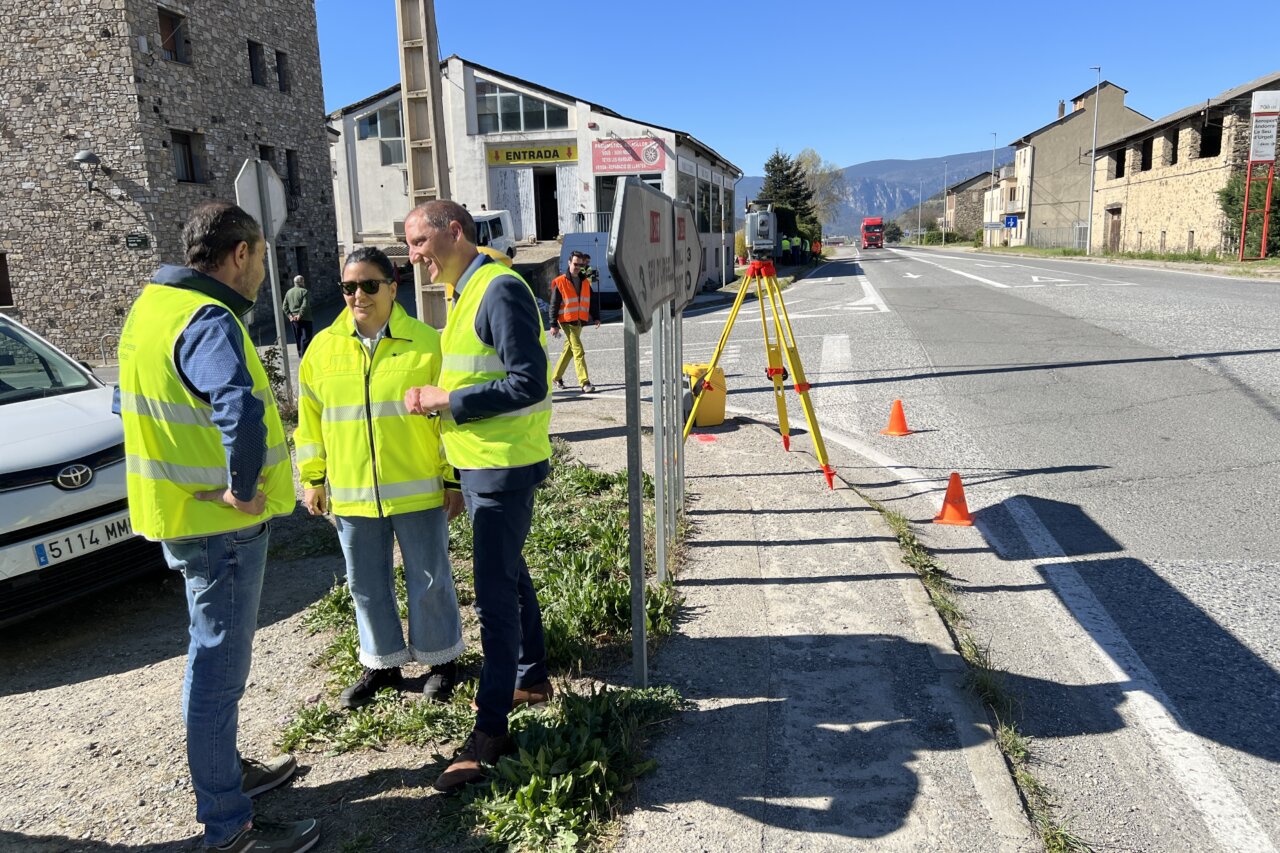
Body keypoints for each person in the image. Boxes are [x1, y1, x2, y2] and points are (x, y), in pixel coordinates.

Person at [115, 201, 319, 853]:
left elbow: (125, 405)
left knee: (213, 657)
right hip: (219, 526)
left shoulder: (150, 310)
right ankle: (229, 827)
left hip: (180, 516)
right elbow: (237, 406)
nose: (262, 271)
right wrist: (238, 485)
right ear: (240, 254)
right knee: (218, 666)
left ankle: (228, 775)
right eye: (262, 257)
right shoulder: (209, 318)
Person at [400, 199, 553, 794]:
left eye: (419, 242)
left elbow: (527, 381)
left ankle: (491, 729)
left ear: (454, 231)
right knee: (509, 573)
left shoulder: (498, 288)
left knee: (493, 595)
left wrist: (446, 402)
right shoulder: (467, 290)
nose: (414, 257)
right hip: (482, 463)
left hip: (504, 465)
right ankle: (532, 677)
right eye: (409, 246)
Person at [294, 247, 466, 710]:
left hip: (418, 487)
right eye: (349, 287)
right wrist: (313, 479)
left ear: (393, 287)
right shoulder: (322, 350)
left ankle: (441, 660)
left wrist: (452, 479)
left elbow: (447, 419)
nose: (358, 295)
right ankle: (382, 663)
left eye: (370, 285)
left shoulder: (427, 344)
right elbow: (310, 423)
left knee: (430, 579)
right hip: (351, 495)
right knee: (365, 584)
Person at [548, 251, 599, 393]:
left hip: (579, 321)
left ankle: (556, 377)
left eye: (580, 265)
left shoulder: (584, 281)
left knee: (569, 350)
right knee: (578, 351)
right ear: (569, 263)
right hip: (566, 321)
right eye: (575, 264)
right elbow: (554, 304)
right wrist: (553, 324)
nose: (577, 267)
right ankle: (584, 382)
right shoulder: (560, 281)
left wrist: (596, 316)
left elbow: (592, 299)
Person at [283, 274, 313, 358]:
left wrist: (290, 316)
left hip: (294, 319)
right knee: (306, 337)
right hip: (305, 318)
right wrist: (300, 314)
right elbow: (305, 304)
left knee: (298, 337)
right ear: (301, 282)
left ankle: (300, 354)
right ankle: (305, 355)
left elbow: (284, 306)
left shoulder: (289, 292)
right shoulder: (304, 291)